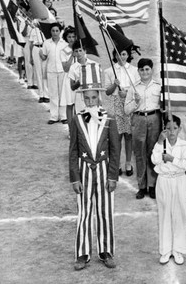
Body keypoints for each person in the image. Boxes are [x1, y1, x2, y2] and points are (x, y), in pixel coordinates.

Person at [69, 86, 121, 270]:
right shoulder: (76, 119)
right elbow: (73, 149)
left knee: (105, 211)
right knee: (84, 212)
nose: (90, 102)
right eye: (87, 99)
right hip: (84, 169)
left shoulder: (109, 118)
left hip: (104, 169)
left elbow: (115, 149)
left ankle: (106, 251)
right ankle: (82, 253)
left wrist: (113, 175)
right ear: (83, 99)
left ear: (98, 98)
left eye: (93, 98)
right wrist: (75, 178)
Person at [151, 114, 186, 265]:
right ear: (164, 130)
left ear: (179, 129)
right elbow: (155, 160)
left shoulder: (184, 145)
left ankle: (178, 249)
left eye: (174, 128)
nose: (171, 132)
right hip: (164, 181)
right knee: (164, 214)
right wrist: (158, 142)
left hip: (179, 181)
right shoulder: (161, 144)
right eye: (168, 128)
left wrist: (172, 159)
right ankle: (165, 250)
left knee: (179, 214)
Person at [124, 58, 161, 200]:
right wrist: (135, 102)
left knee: (153, 152)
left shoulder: (158, 86)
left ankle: (152, 185)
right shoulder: (133, 87)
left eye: (147, 69)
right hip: (138, 119)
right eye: (142, 69)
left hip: (154, 118)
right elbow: (126, 110)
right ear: (138, 71)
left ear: (152, 70)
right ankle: (141, 186)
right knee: (139, 154)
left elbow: (163, 105)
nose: (144, 72)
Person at [104, 46, 139, 177]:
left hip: (129, 103)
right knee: (116, 136)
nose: (121, 57)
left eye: (123, 54)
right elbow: (107, 91)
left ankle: (128, 163)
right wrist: (114, 84)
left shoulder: (134, 70)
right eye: (117, 54)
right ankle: (117, 163)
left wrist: (127, 93)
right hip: (116, 104)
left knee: (128, 135)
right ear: (114, 56)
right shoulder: (109, 71)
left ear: (127, 55)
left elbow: (137, 89)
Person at [39, 23, 68, 124]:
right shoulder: (47, 43)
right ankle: (54, 116)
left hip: (62, 71)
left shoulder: (65, 43)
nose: (55, 33)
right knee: (53, 94)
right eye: (53, 31)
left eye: (57, 31)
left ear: (60, 32)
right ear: (50, 32)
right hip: (51, 71)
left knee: (62, 94)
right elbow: (44, 57)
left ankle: (64, 116)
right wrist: (40, 54)